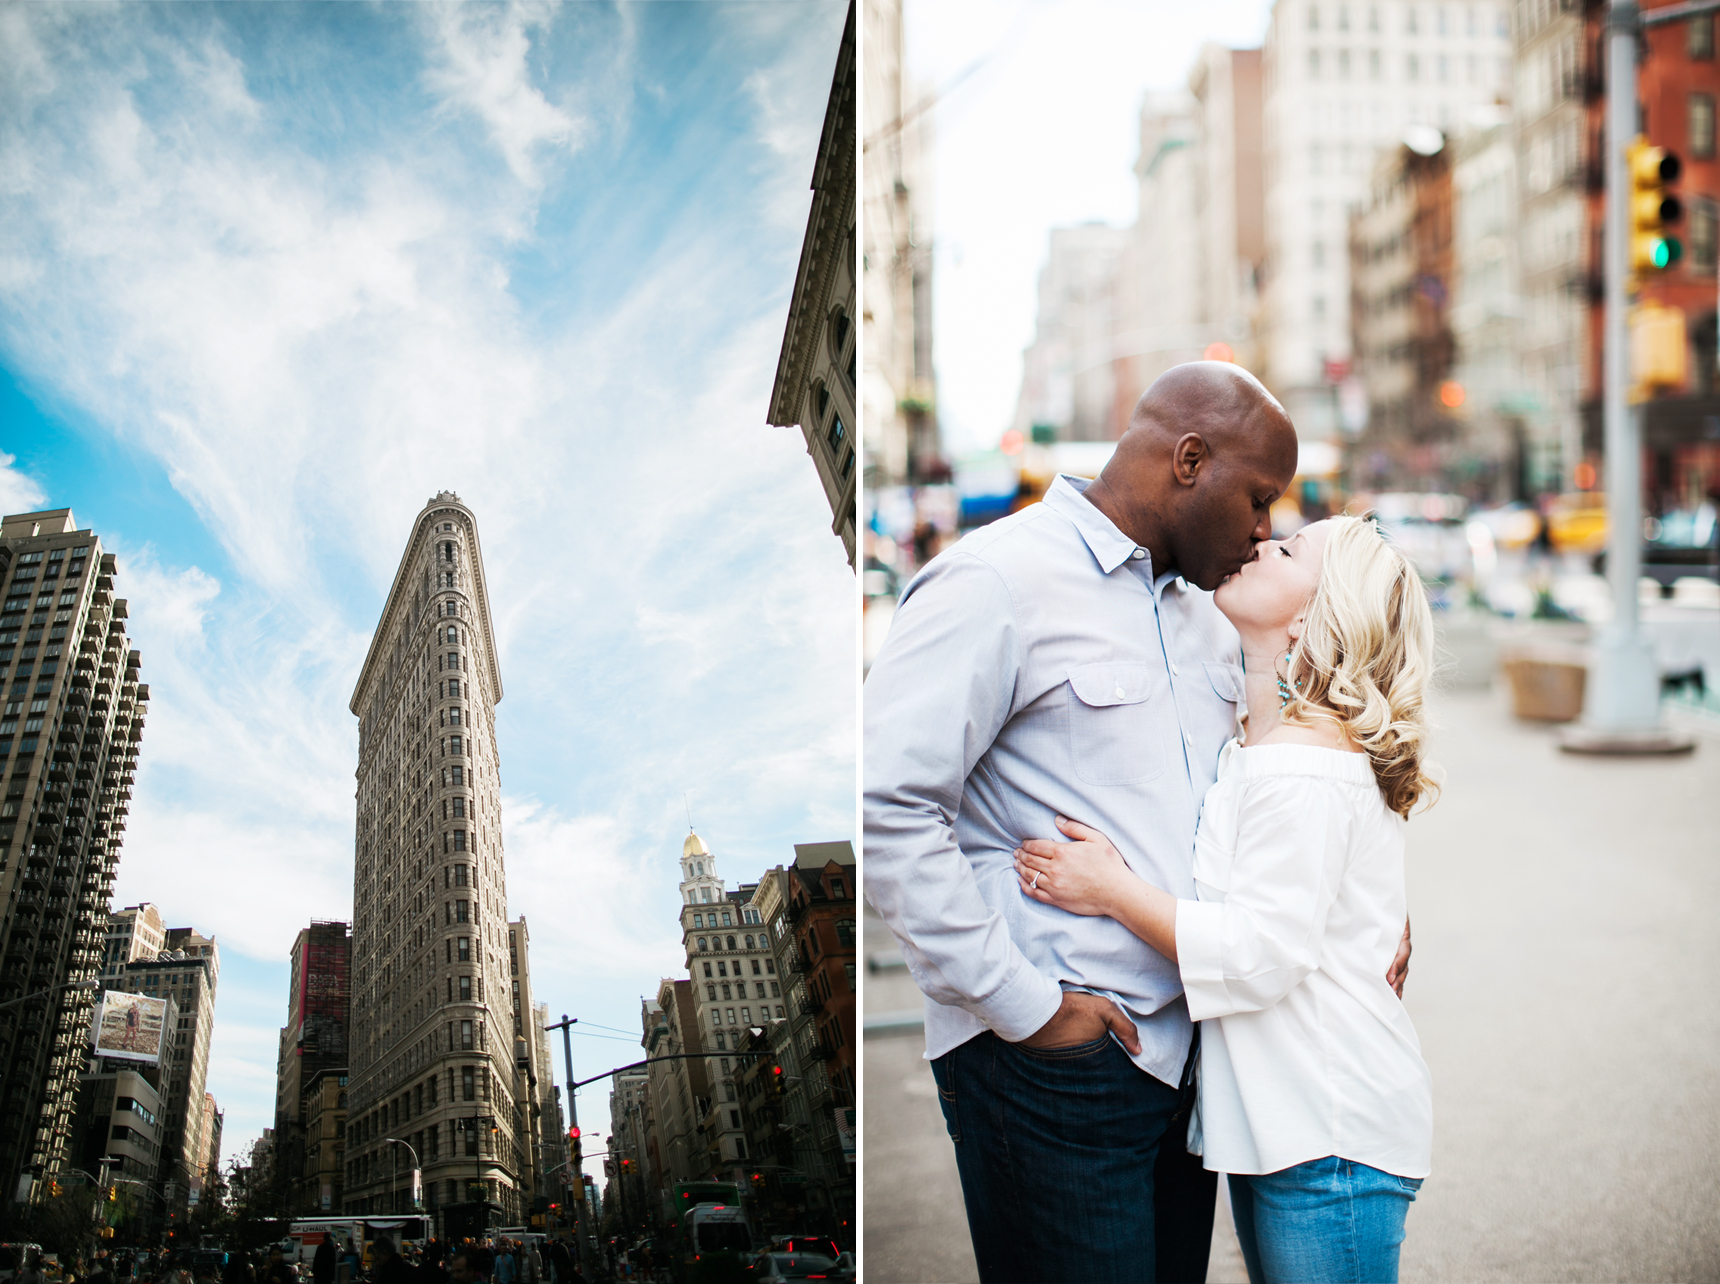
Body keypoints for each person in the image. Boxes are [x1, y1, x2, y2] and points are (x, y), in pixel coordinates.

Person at [865, 362, 1413, 1284]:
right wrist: (1024, 1009)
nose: (1263, 528)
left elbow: (1290, 784)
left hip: (1188, 1068)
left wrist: (1364, 907)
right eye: (1258, 497)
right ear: (1190, 461)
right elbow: (890, 811)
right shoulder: (995, 581)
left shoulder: (1211, 614)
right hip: (1052, 1066)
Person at [1013, 514, 1437, 1284]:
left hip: (1328, 1138)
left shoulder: (1300, 766)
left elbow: (1259, 952)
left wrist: (1113, 890)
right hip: (1295, 1130)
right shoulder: (1274, 746)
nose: (1262, 544)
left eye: (1290, 549)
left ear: (1312, 613)